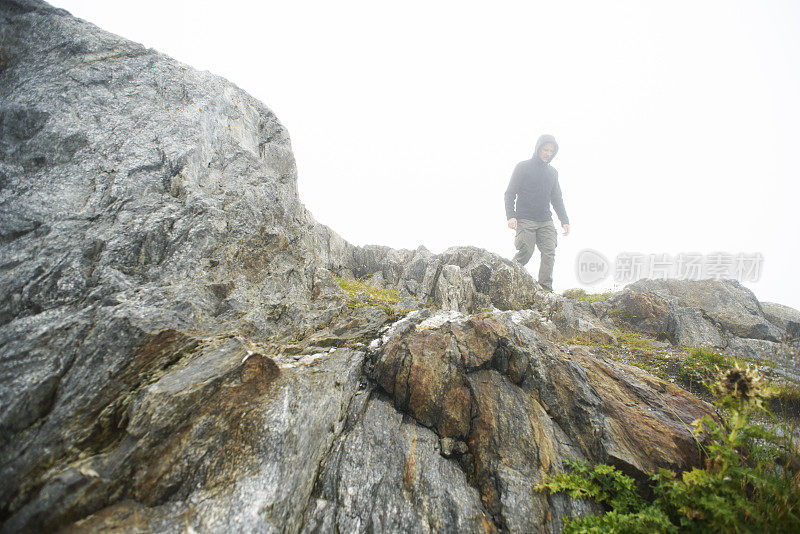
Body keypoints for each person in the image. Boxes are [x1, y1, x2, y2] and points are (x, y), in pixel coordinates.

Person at [504, 134, 571, 292]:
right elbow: (510, 193)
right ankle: (507, 279)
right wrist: (511, 216)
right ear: (538, 149)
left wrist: (564, 220)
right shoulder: (523, 167)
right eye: (545, 149)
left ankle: (545, 289)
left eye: (551, 151)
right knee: (526, 251)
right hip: (525, 218)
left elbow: (556, 198)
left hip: (545, 220)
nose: (548, 153)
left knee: (549, 252)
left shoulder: (553, 173)